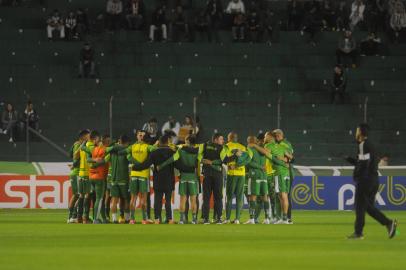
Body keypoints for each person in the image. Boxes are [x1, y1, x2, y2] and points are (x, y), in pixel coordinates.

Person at [345, 123, 397, 239]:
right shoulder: (371, 145)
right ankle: (388, 223)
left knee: (359, 206)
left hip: (365, 180)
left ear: (361, 133)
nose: (356, 132)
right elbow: (366, 162)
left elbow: (364, 164)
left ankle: (359, 233)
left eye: (357, 130)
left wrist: (357, 176)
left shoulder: (363, 145)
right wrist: (352, 160)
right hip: (373, 179)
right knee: (367, 207)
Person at [133, 134, 176, 224]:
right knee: (168, 200)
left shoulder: (154, 152)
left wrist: (135, 167)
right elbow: (178, 165)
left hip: (158, 180)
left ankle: (157, 219)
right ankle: (170, 219)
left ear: (159, 142)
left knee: (158, 200)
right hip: (169, 180)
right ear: (167, 142)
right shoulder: (172, 152)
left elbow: (146, 164)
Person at [158, 135, 200, 224]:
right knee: (193, 200)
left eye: (185, 140)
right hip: (193, 178)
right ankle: (194, 219)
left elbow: (171, 159)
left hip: (183, 177)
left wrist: (161, 166)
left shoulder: (181, 150)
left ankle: (181, 219)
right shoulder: (197, 151)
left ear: (188, 141)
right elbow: (200, 162)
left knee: (183, 199)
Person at [220, 132, 251, 224]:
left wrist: (232, 165)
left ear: (229, 138)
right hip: (241, 174)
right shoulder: (243, 147)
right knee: (239, 197)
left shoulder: (226, 146)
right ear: (236, 138)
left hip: (232, 174)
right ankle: (237, 219)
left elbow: (223, 159)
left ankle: (228, 218)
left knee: (229, 197)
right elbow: (248, 159)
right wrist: (239, 165)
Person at [126, 130, 154, 224]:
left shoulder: (132, 147)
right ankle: (144, 219)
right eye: (140, 135)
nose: (141, 136)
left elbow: (125, 152)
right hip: (143, 175)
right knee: (143, 198)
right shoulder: (147, 147)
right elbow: (155, 150)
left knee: (133, 198)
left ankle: (132, 219)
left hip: (133, 175)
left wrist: (131, 159)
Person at [244, 136, 271, 225]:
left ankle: (252, 219)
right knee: (265, 197)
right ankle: (267, 219)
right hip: (263, 176)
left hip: (254, 175)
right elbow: (267, 154)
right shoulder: (262, 150)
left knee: (253, 197)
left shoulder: (249, 150)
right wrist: (262, 167)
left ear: (249, 141)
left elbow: (248, 162)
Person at [199, 133, 224, 224]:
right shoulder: (222, 148)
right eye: (221, 139)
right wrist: (213, 163)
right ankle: (219, 218)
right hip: (217, 175)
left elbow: (198, 156)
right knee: (218, 197)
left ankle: (205, 219)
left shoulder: (204, 145)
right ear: (216, 140)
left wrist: (205, 161)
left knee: (206, 197)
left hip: (207, 174)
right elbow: (223, 160)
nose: (223, 141)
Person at [87, 133, 110, 224]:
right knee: (99, 199)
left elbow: (88, 159)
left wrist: (94, 162)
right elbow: (105, 160)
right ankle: (95, 219)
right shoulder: (105, 150)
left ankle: (104, 218)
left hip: (92, 176)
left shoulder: (93, 149)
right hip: (100, 176)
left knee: (100, 198)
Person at [106, 135, 131, 224]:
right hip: (123, 179)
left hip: (113, 180)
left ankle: (114, 219)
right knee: (126, 199)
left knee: (114, 199)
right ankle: (127, 219)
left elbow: (106, 159)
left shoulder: (112, 151)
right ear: (126, 142)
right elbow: (130, 160)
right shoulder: (126, 151)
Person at [67, 129, 89, 223]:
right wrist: (74, 165)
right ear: (83, 136)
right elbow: (75, 158)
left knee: (78, 195)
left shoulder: (81, 144)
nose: (90, 136)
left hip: (77, 172)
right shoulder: (78, 145)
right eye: (88, 135)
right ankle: (72, 216)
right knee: (77, 195)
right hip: (76, 173)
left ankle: (73, 216)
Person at [272, 129, 294, 224]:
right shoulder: (280, 144)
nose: (274, 137)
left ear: (279, 135)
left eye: (275, 135)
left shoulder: (285, 144)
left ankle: (287, 218)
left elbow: (290, 158)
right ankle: (281, 217)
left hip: (286, 171)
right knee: (281, 195)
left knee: (285, 195)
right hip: (283, 171)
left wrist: (281, 159)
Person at [77, 130, 98, 223]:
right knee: (87, 195)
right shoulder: (91, 146)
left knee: (81, 195)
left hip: (80, 174)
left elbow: (75, 157)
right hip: (88, 173)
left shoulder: (82, 146)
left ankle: (79, 217)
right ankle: (85, 217)